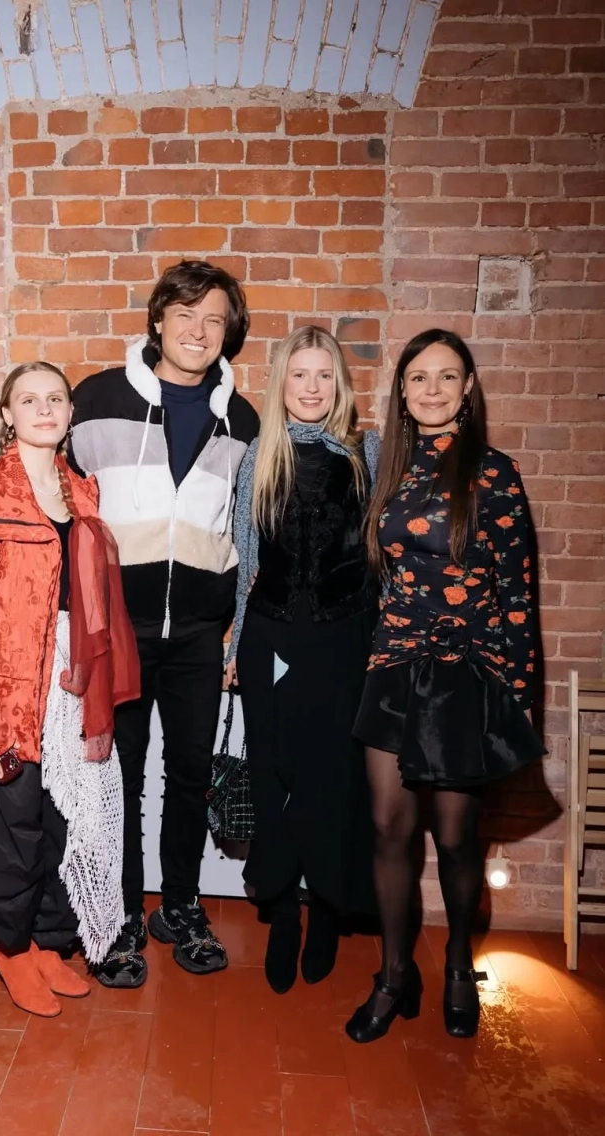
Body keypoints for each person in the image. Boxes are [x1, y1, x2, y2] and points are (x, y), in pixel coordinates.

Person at [346, 328, 546, 1044]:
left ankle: (459, 965)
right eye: (418, 378)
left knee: (458, 838)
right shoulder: (390, 472)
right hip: (395, 666)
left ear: (467, 389)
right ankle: (394, 975)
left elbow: (518, 595)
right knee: (388, 827)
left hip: (466, 675)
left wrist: (518, 695)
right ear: (402, 391)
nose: (431, 389)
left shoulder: (494, 473)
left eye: (446, 377)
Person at [69, 260, 259, 987]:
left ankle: (179, 905)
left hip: (200, 634)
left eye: (214, 320)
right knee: (119, 775)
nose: (198, 331)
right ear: (158, 320)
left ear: (228, 333)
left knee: (188, 775)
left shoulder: (244, 421)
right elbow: (58, 497)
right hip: (120, 630)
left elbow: (248, 529)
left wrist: (237, 627)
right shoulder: (97, 400)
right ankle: (118, 918)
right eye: (185, 314)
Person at [0, 362, 139, 1018]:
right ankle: (12, 947)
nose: (44, 409)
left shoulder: (81, 490)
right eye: (29, 400)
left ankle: (51, 940)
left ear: (70, 411)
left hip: (70, 684)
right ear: (7, 414)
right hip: (7, 684)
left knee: (62, 819)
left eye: (55, 398)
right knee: (12, 823)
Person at [226, 325, 379, 994]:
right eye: (299, 375)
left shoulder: (369, 452)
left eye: (324, 375)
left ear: (338, 384)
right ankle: (282, 910)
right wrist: (236, 640)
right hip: (271, 635)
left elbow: (381, 558)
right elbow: (246, 561)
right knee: (272, 774)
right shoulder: (259, 455)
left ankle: (326, 909)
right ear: (282, 383)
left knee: (331, 778)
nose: (312, 388)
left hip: (344, 638)